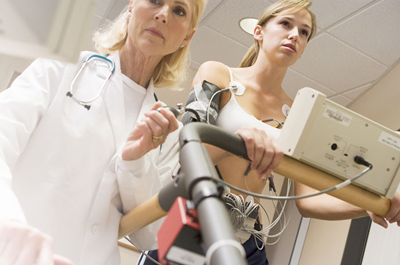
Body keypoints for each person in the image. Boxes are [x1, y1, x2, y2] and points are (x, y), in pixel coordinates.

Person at [139, 0, 400, 264]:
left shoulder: (298, 114)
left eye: (304, 32)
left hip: (248, 241)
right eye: (286, 24)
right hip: (194, 219)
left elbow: (308, 201)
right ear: (259, 32)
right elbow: (188, 153)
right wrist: (238, 140)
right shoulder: (218, 75)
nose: (294, 35)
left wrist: (366, 206)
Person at [0, 0, 207, 264]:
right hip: (20, 253)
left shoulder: (167, 130)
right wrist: (8, 222)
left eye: (179, 10)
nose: (164, 14)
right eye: (155, 0)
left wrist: (134, 163)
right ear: (131, 6)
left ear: (187, 36)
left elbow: (150, 235)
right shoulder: (63, 69)